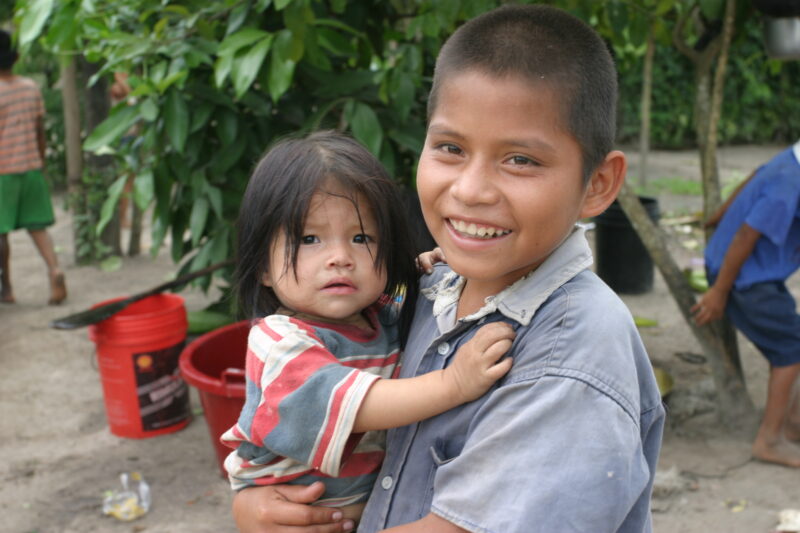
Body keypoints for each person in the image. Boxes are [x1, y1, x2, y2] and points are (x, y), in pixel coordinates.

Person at [233, 5, 666, 532]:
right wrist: (253, 507)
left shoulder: (569, 357)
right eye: (450, 148)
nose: (470, 190)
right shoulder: (437, 287)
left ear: (597, 184)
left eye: (521, 160)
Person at [222, 130, 515, 520]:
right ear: (262, 267)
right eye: (310, 238)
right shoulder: (278, 342)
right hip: (293, 515)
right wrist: (455, 383)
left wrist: (421, 269)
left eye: (361, 238)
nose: (340, 257)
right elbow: (360, 407)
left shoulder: (375, 315)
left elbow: (398, 301)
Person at [692, 140, 800, 468]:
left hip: (749, 273)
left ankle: (793, 426)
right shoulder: (789, 183)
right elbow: (745, 238)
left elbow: (753, 176)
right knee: (791, 351)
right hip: (744, 282)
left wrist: (717, 216)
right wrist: (719, 293)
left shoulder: (789, 160)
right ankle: (770, 440)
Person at [0, 29, 66, 305]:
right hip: (31, 168)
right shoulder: (30, 88)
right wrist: (40, 162)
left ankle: (7, 288)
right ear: (16, 57)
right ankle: (55, 269)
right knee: (38, 228)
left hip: (2, 173)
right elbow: (40, 131)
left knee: (1, 234)